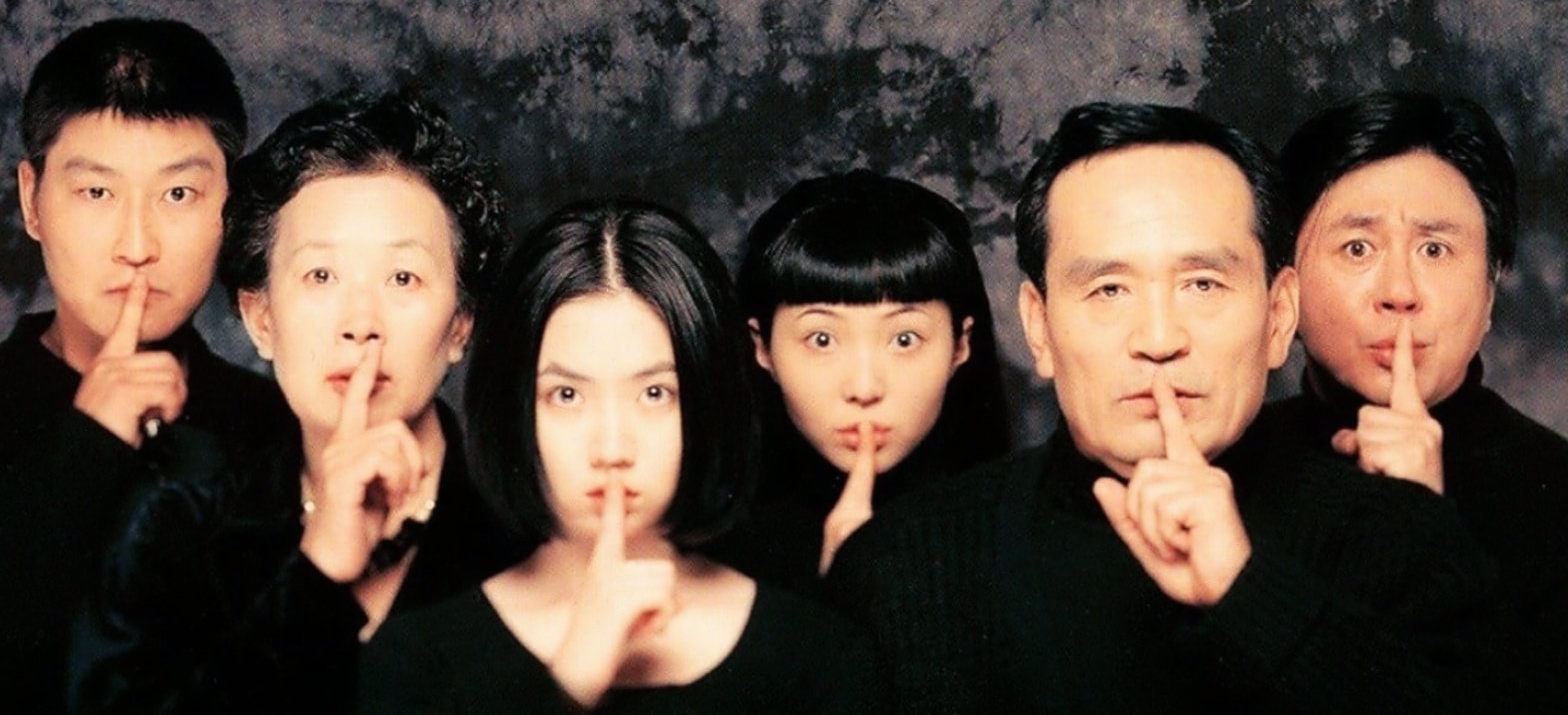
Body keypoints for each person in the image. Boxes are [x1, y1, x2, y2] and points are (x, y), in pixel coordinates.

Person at [825, 102, 1508, 713]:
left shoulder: (1405, 541)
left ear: (1278, 318)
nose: (1158, 339)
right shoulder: (904, 561)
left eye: (1202, 284)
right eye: (1109, 290)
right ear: (1039, 327)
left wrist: (1248, 593)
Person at [67, 91, 526, 713]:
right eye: (320, 276)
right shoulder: (177, 519)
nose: (360, 323)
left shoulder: (526, 530)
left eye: (402, 278)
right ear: (261, 320)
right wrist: (318, 575)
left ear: (460, 326)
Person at [361, 199, 879, 713]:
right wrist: (574, 674)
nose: (612, 449)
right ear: (513, 407)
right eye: (567, 395)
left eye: (655, 394)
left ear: (708, 400)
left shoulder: (815, 654)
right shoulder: (416, 660)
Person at [0, 18, 288, 714]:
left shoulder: (275, 427)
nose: (137, 244)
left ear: (230, 205)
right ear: (31, 200)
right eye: (97, 193)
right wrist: (86, 446)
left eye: (178, 194)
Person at [1273, 90, 1568, 711]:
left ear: (1490, 289)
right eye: (1358, 248)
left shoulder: (1556, 491)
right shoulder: (1223, 466)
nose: (1400, 292)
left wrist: (1423, 529)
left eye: (1435, 250)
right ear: (1284, 289)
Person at [710, 170, 1012, 592]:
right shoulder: (705, 555)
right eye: (822, 339)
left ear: (961, 344)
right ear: (762, 348)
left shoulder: (1020, 534)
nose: (864, 389)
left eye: (904, 340)